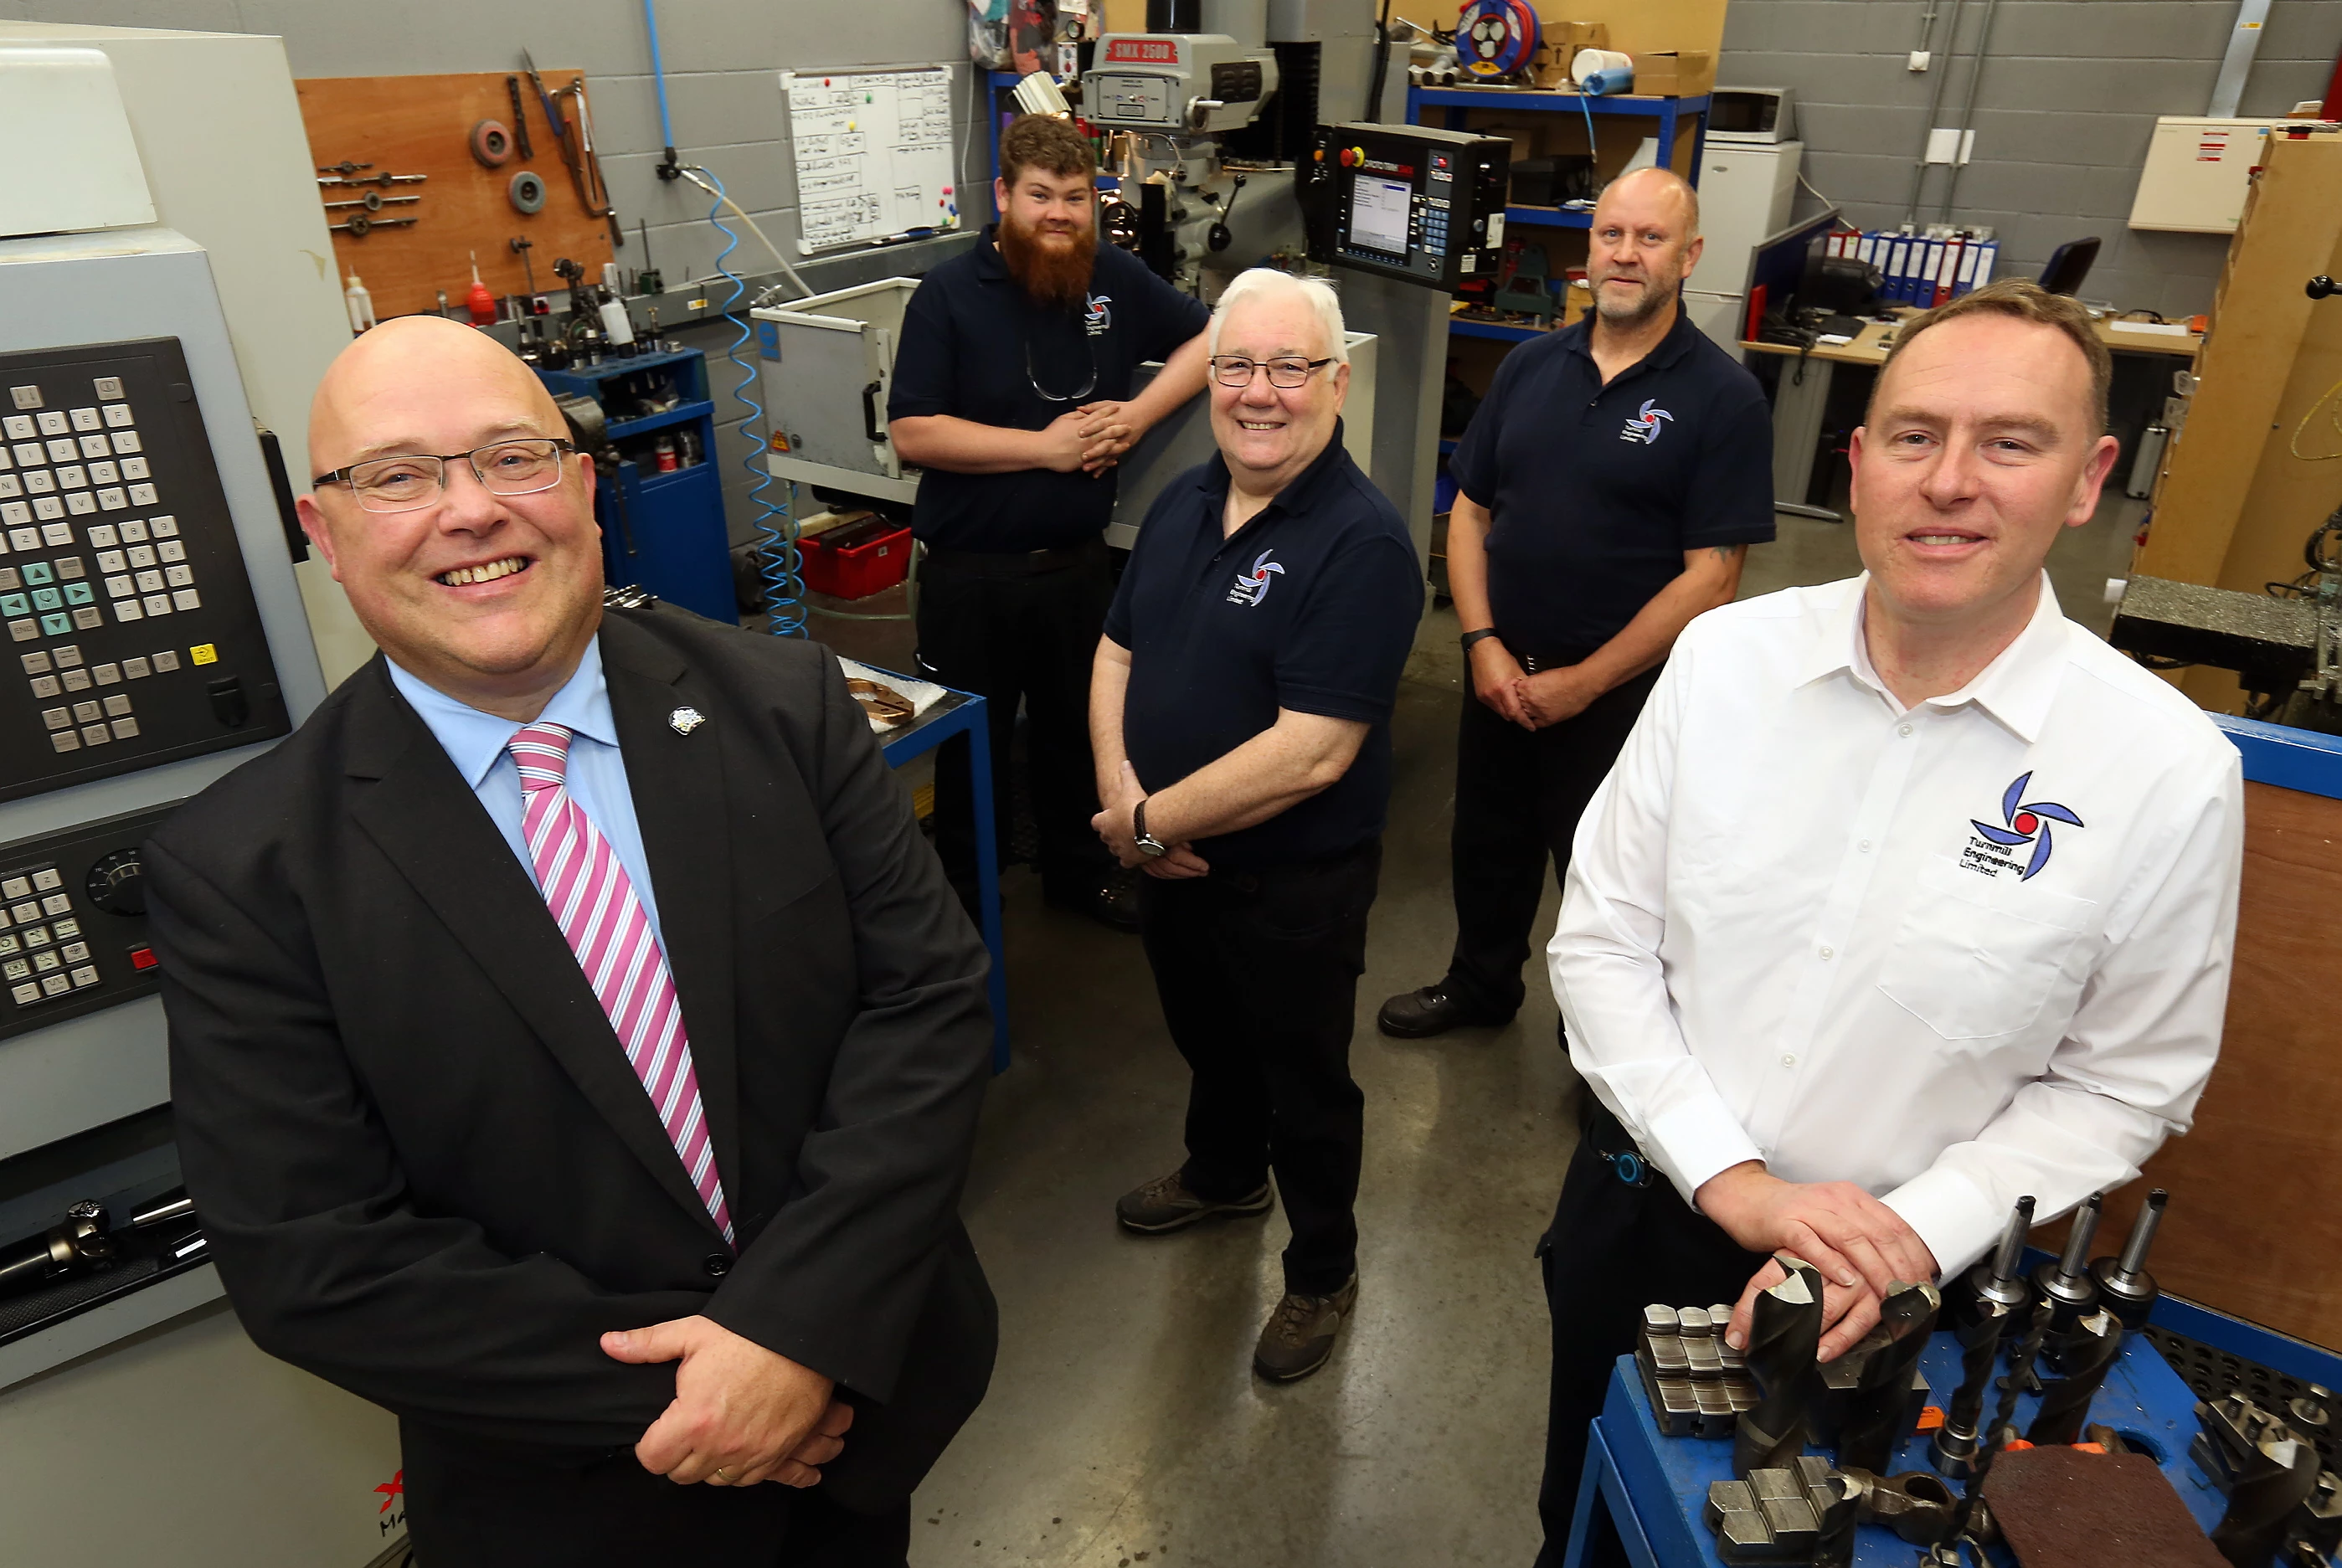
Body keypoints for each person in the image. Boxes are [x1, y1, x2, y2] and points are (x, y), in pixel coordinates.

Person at [146, 317, 997, 1568]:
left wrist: (800, 1333)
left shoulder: (786, 705)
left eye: (512, 457)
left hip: (860, 1421)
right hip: (572, 1503)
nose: (471, 511)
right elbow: (313, 1255)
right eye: (396, 476)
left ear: (585, 488)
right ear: (322, 537)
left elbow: (924, 1006)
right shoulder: (246, 871)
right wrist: (711, 1399)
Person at [1534, 279, 2243, 1562]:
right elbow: (1601, 941)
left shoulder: (2163, 768)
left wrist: (1914, 1231)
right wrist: (1733, 1178)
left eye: (2008, 443)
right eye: (1915, 437)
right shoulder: (1722, 664)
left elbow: (2128, 1079)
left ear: (2086, 481)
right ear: (1857, 466)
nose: (1951, 481)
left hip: (1915, 1293)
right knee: (1585, 1520)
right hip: (1648, 1205)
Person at [1089, 268, 1423, 1382]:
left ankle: (1322, 1268)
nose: (1259, 393)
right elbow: (1116, 651)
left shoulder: (1360, 544)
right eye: (1236, 366)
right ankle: (1224, 1173)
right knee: (1208, 1041)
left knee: (1304, 1081)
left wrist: (1144, 819)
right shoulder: (1186, 497)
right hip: (1170, 860)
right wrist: (1125, 798)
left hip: (1290, 881)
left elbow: (1313, 750)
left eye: (1289, 367)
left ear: (1335, 381)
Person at [1377, 167, 1776, 1040]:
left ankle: (1607, 1033)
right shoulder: (1528, 367)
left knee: (1611, 875)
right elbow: (1472, 510)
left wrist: (1586, 681)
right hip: (1500, 675)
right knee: (1486, 847)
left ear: (1690, 254)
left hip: (1623, 699)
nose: (1625, 255)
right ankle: (1481, 984)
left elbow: (1711, 575)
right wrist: (1478, 641)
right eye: (1610, 235)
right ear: (1587, 250)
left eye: (1649, 238)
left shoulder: (1723, 398)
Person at [889, 113, 1211, 932]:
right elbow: (914, 431)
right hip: (972, 575)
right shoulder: (949, 295)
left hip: (1076, 568)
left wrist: (1136, 418)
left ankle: (1081, 877)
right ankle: (966, 905)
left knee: (1081, 737)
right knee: (974, 752)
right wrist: (1044, 449)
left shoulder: (1111, 277)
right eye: (1040, 196)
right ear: (1003, 196)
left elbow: (1207, 342)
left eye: (1076, 197)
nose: (1060, 213)